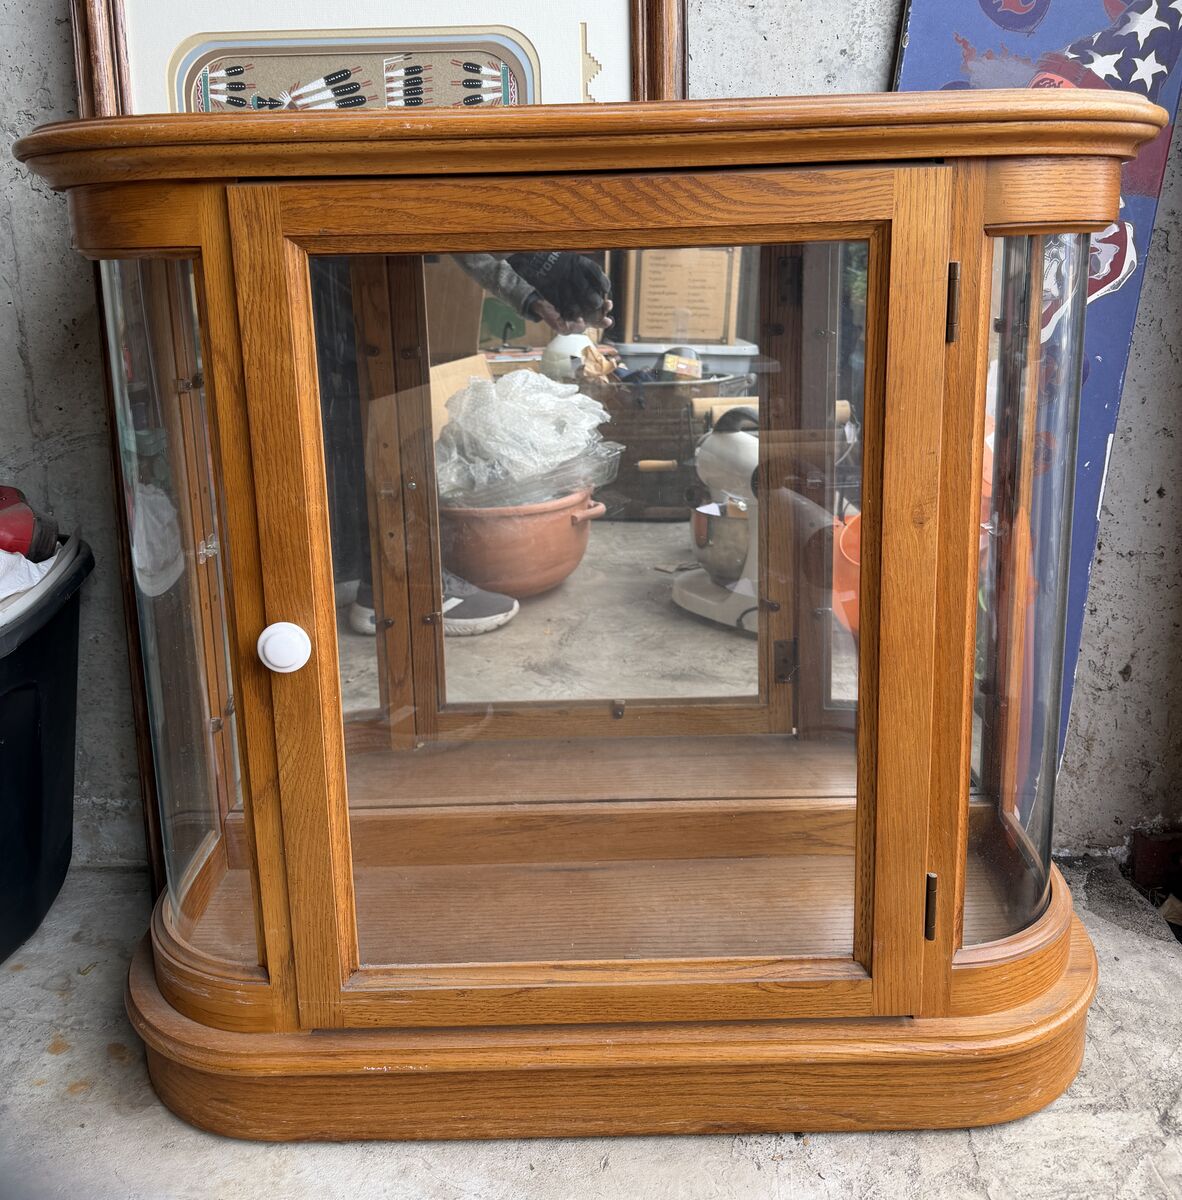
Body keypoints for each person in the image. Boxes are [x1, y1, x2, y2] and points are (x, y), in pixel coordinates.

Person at [315, 252, 613, 636]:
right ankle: (398, 589)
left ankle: (358, 572)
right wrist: (536, 259)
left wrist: (531, 289)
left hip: (349, 250)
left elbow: (444, 221)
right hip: (335, 246)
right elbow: (423, 211)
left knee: (349, 397)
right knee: (372, 395)